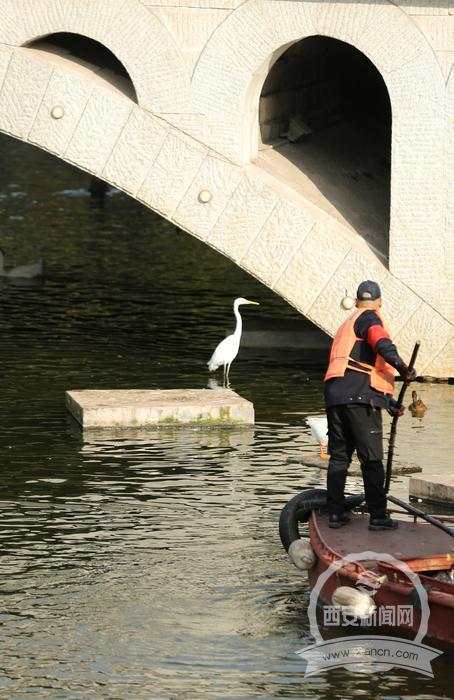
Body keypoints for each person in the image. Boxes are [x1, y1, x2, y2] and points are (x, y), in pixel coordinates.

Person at [324, 280, 416, 531]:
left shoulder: (347, 324)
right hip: (358, 399)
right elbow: (381, 343)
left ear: (355, 301)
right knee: (372, 459)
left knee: (339, 457)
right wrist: (402, 367)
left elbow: (360, 372)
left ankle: (335, 514)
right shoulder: (369, 318)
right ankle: (378, 516)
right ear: (379, 302)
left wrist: (389, 403)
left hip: (335, 395)